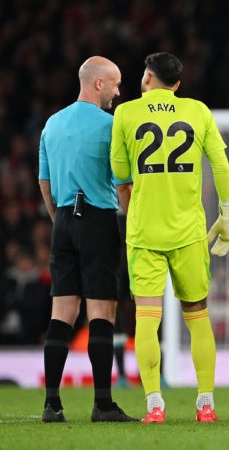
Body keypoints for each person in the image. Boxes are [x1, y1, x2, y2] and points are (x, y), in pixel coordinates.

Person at [110, 52, 229, 423]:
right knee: (197, 315)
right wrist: (227, 215)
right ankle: (206, 403)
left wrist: (138, 210)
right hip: (189, 231)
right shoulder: (198, 111)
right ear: (177, 84)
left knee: (147, 318)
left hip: (145, 232)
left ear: (147, 77)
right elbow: (222, 165)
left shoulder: (126, 113)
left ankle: (154, 405)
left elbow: (120, 175)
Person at [38, 56, 136, 423]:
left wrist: (59, 219)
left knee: (61, 312)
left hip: (62, 219)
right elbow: (122, 179)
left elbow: (43, 182)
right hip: (97, 219)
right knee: (102, 312)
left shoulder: (52, 123)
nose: (117, 91)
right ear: (98, 84)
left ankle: (52, 404)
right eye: (114, 83)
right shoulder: (111, 126)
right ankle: (103, 404)